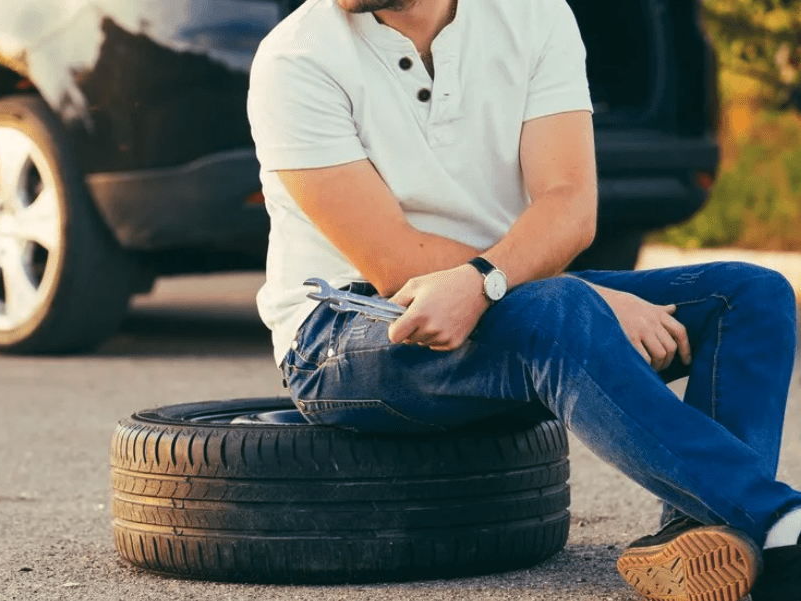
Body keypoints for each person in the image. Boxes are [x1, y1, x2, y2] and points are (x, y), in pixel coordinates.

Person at [246, 0, 801, 599]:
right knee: (558, 309)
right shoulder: (296, 57)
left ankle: (708, 537)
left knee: (750, 295)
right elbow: (394, 261)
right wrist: (577, 294)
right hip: (348, 332)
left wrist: (526, 286)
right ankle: (777, 523)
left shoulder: (534, 15)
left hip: (512, 308)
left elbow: (568, 202)